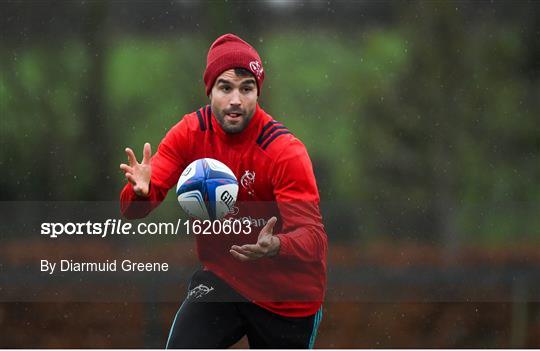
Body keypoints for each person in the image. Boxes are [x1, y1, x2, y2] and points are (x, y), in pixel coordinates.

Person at [119, 33, 327, 349]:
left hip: (288, 300)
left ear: (258, 93)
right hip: (224, 281)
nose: (235, 100)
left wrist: (277, 245)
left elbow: (314, 239)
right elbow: (132, 211)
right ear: (210, 91)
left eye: (247, 88)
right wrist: (139, 192)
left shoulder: (284, 152)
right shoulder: (190, 134)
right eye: (225, 87)